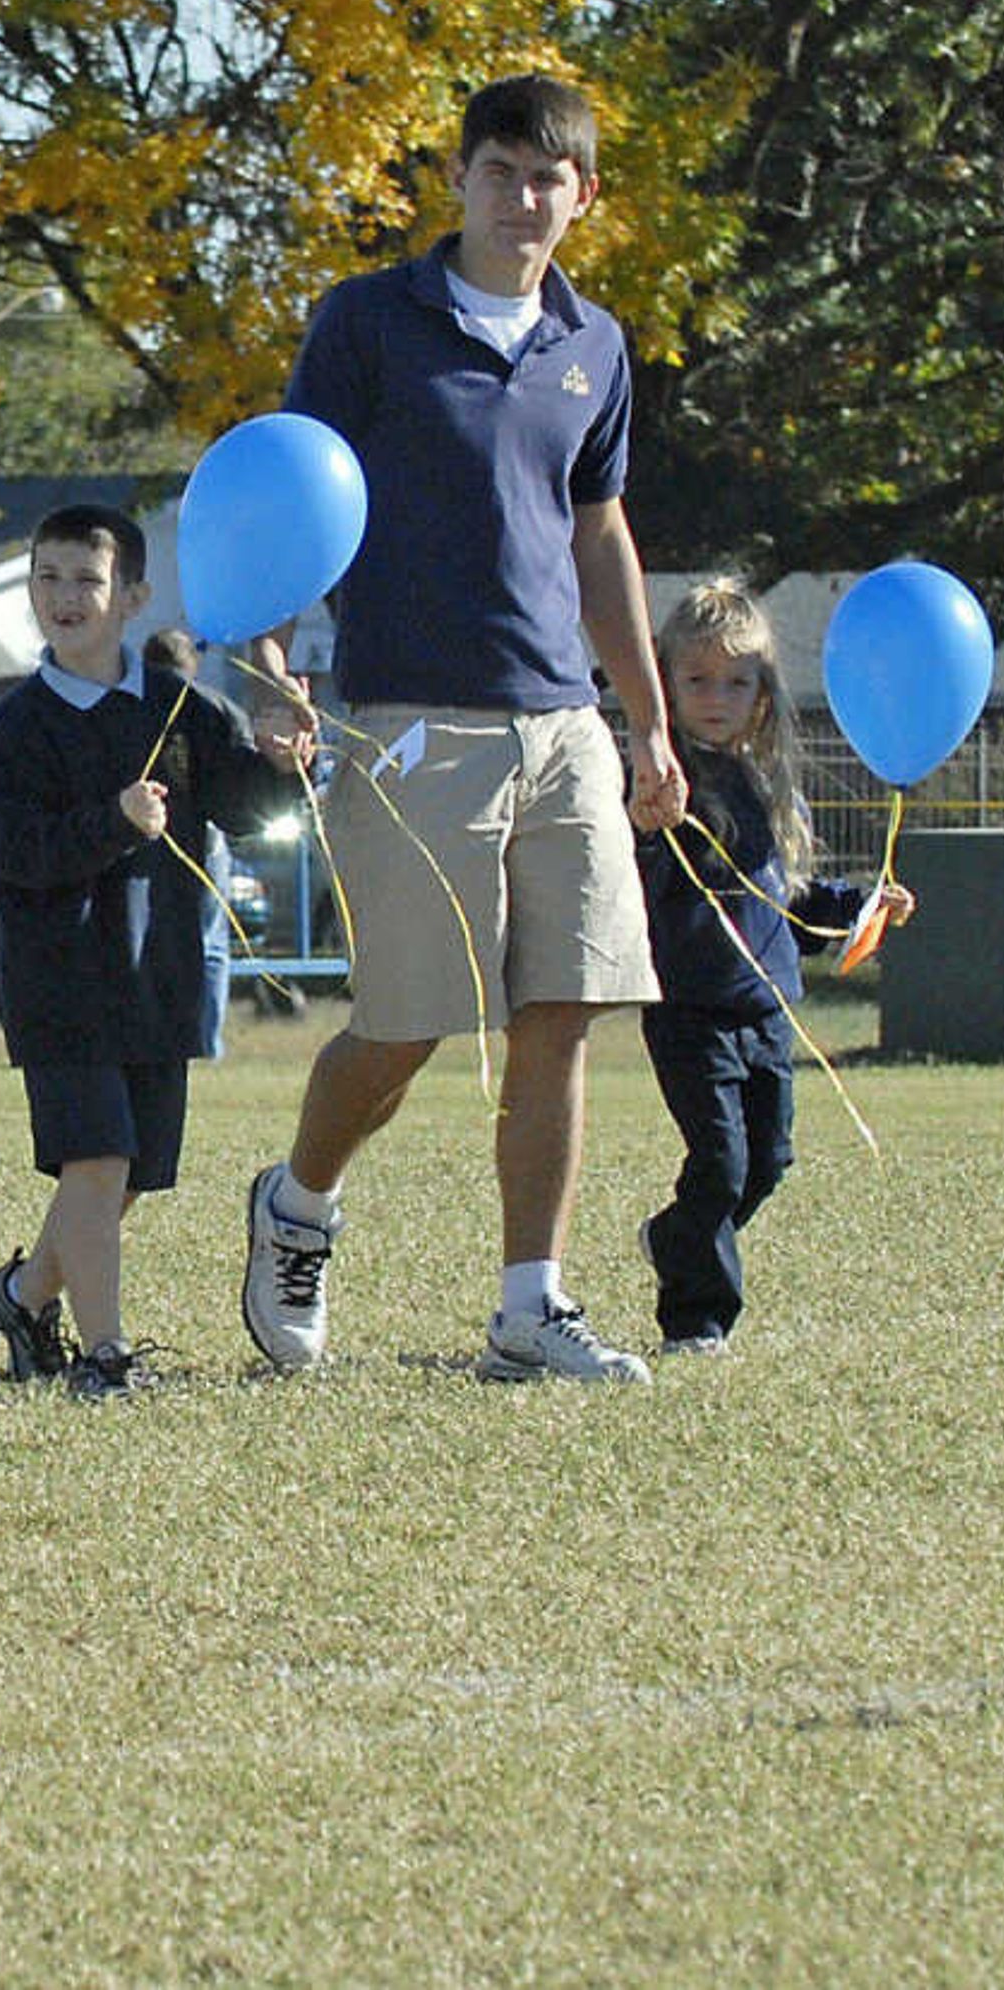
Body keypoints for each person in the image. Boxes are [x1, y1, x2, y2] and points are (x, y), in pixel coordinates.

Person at [242, 72, 691, 1386]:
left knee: (564, 1008)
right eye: (501, 170)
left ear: (583, 196)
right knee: (407, 1021)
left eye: (550, 176)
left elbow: (597, 530)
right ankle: (299, 1200)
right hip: (408, 721)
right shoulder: (370, 322)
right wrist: (274, 660)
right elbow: (285, 491)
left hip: (564, 725)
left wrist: (647, 720)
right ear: (457, 179)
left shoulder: (593, 346)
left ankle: (528, 1305)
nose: (523, 195)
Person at [0, 510, 299, 1398]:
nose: (64, 598)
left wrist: (282, 760)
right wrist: (112, 825)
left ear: (135, 598)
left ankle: (23, 1294)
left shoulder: (184, 709)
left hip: (158, 978)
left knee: (125, 1179)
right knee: (97, 1161)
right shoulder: (15, 726)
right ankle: (104, 1358)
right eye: (48, 578)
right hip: (60, 982)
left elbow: (246, 807)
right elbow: (20, 855)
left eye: (86, 579)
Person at [634, 578, 913, 1355]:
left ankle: (673, 1237)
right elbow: (640, 872)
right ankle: (697, 1319)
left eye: (735, 681)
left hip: (766, 1011)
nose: (715, 697)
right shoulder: (662, 783)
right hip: (690, 1007)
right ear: (666, 684)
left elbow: (787, 899)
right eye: (696, 680)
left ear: (762, 693)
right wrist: (648, 826)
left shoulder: (764, 784)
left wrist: (860, 908)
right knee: (720, 1164)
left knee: (768, 1161)